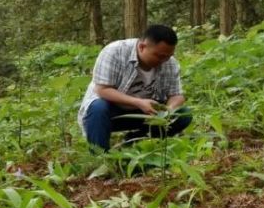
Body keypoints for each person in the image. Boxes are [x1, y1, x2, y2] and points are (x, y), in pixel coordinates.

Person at [78, 24, 192, 152]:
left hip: (147, 112)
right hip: (111, 111)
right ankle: (100, 157)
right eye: (159, 56)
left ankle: (136, 141)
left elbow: (177, 95)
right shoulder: (115, 51)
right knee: (98, 107)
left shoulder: (169, 62)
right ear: (142, 47)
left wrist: (168, 111)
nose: (164, 60)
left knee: (183, 114)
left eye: (168, 56)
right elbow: (102, 90)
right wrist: (138, 102)